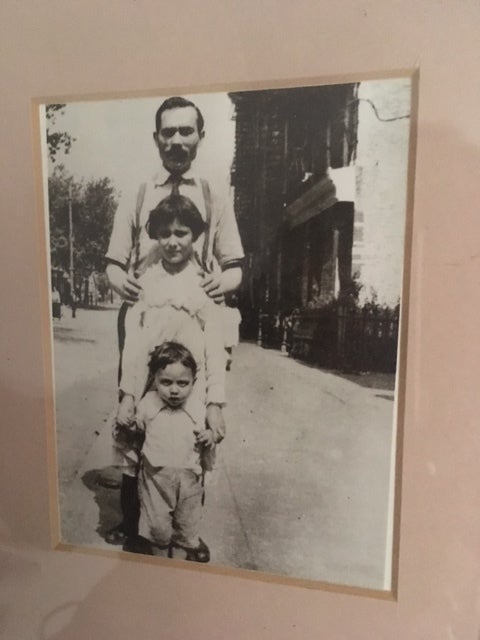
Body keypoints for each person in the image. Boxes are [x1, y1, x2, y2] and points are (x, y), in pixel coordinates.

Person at [104, 96, 243, 548]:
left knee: (192, 428)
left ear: (200, 137)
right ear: (156, 138)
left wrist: (225, 282)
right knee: (134, 425)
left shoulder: (213, 195)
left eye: (187, 131)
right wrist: (120, 281)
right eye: (169, 132)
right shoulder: (140, 192)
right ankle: (134, 523)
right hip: (145, 320)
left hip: (196, 326)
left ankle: (187, 529)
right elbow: (112, 262)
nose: (177, 141)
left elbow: (235, 264)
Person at [111, 194, 226, 553]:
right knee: (135, 452)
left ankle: (187, 532)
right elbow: (133, 343)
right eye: (164, 233)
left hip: (190, 389)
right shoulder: (146, 283)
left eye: (181, 233)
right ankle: (137, 528)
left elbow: (215, 347)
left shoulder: (204, 285)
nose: (173, 241)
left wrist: (214, 403)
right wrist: (129, 395)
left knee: (192, 456)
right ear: (155, 237)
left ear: (196, 235)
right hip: (149, 384)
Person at [124, 341, 218, 560]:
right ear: (154, 379)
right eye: (166, 382)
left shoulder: (197, 407)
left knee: (185, 528)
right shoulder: (148, 403)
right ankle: (159, 563)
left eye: (182, 383)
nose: (174, 390)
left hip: (189, 480)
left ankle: (178, 564)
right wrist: (130, 426)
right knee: (157, 528)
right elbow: (137, 433)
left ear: (194, 382)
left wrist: (209, 436)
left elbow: (210, 437)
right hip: (155, 479)